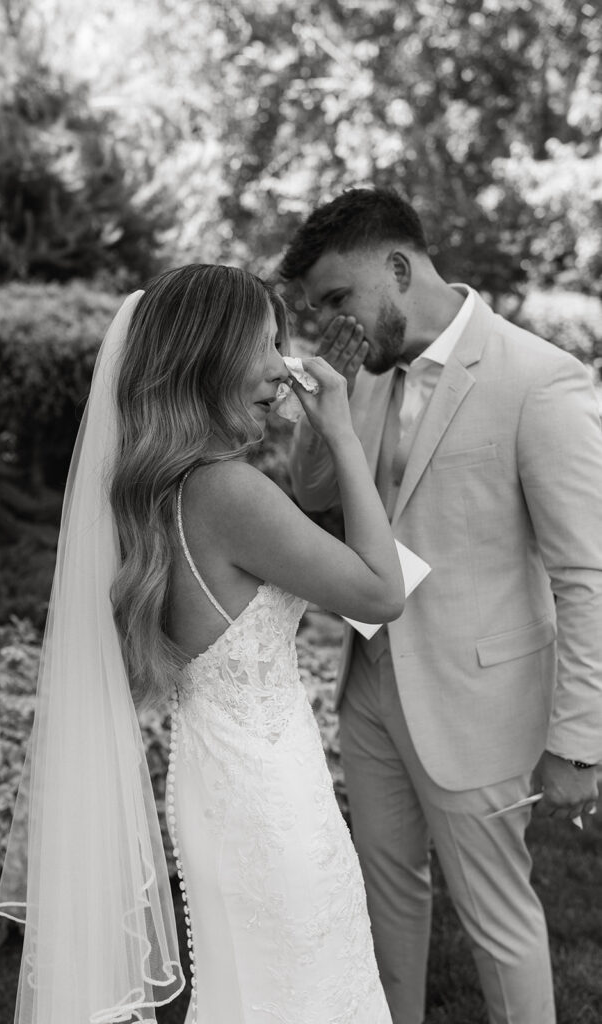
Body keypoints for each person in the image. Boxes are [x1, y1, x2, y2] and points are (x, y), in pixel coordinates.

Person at [0, 263, 406, 1024]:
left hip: (215, 786)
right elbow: (382, 593)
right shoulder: (228, 492)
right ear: (206, 356)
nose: (281, 368)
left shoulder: (155, 488)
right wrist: (341, 432)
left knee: (259, 991)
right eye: (262, 344)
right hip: (268, 801)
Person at [280, 186, 602, 1024]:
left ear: (398, 265)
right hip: (370, 685)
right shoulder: (369, 373)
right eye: (318, 311)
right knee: (384, 903)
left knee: (498, 922)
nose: (332, 325)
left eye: (338, 299)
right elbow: (312, 493)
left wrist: (577, 738)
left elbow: (587, 575)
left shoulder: (538, 379)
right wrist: (328, 408)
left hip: (477, 697)